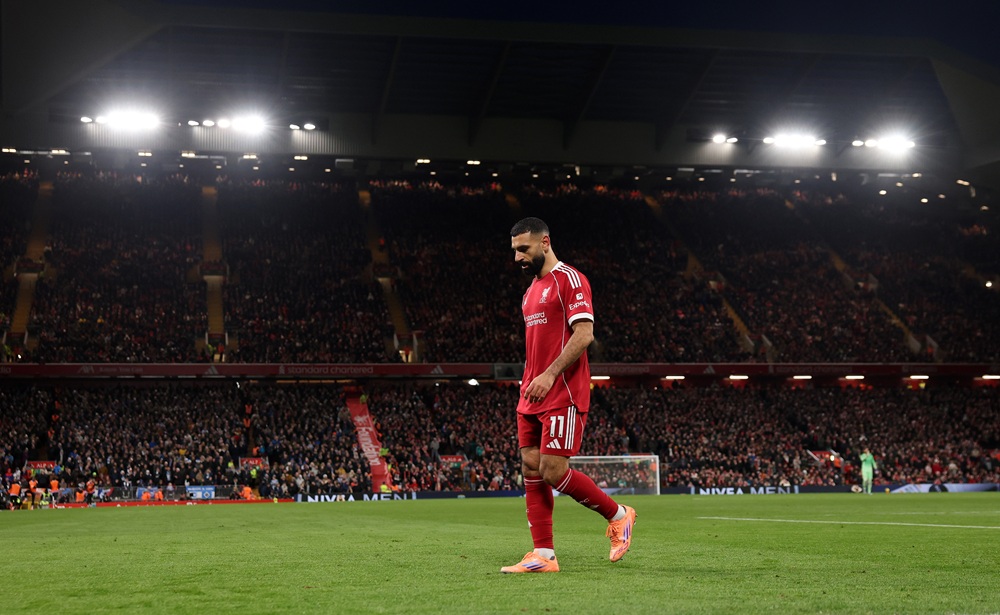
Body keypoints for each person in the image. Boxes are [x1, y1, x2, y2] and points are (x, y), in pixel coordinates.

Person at [501, 217, 636, 574]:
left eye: (524, 249)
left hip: (561, 389)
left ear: (545, 242)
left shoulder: (570, 280)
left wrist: (548, 374)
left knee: (552, 469)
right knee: (531, 467)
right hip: (531, 392)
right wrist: (532, 377)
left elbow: (584, 334)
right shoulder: (530, 291)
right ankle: (543, 555)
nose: (517, 257)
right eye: (514, 250)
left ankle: (619, 515)